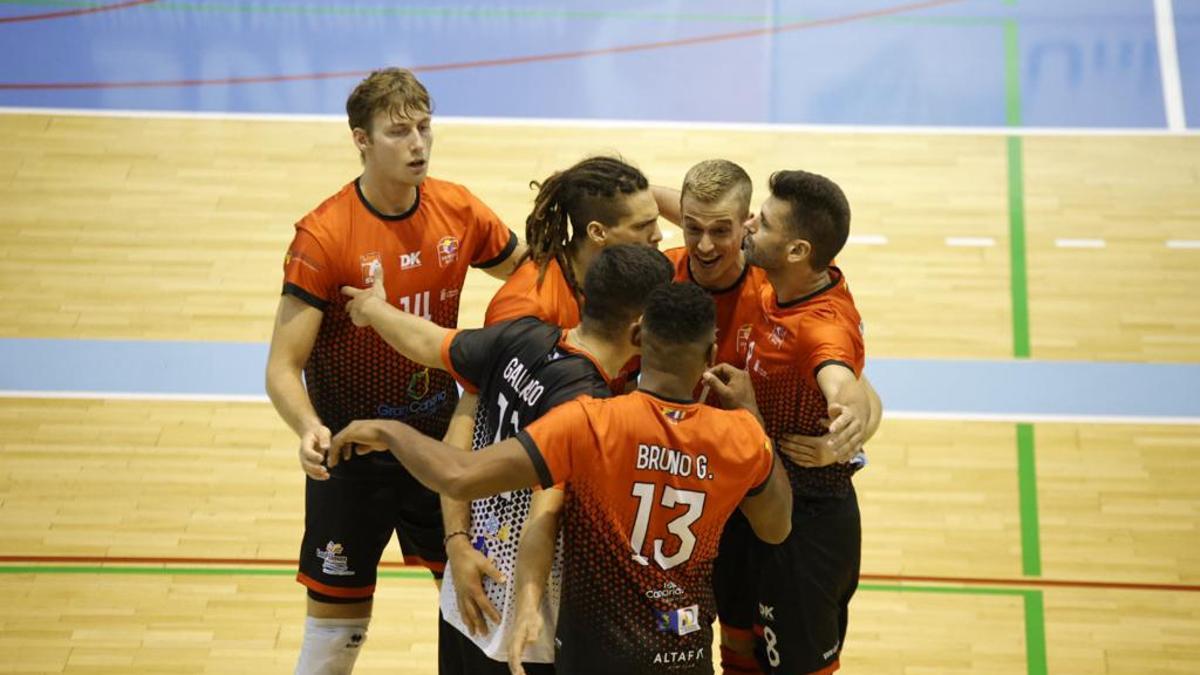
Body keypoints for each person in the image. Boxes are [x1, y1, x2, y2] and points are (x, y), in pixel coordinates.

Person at [330, 282, 794, 675]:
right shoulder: (740, 437)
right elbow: (777, 526)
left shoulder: (590, 422)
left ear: (637, 334)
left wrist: (389, 431)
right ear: (712, 353)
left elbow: (459, 475)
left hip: (596, 655)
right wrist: (751, 416)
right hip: (684, 651)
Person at [264, 66, 524, 674]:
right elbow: (282, 367)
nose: (418, 144)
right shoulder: (323, 237)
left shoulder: (458, 210)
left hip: (441, 456)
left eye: (425, 128)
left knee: (476, 609)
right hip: (351, 460)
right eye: (399, 131)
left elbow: (532, 271)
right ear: (361, 139)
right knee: (334, 641)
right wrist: (306, 427)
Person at [339, 244, 675, 673]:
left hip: (464, 597)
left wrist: (373, 309)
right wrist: (529, 607)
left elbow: (429, 342)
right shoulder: (588, 405)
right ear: (641, 329)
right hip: (526, 634)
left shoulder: (523, 334)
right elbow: (545, 513)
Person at [658, 160, 882, 674]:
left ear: (797, 249)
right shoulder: (777, 285)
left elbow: (842, 376)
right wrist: (637, 191)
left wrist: (845, 423)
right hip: (741, 502)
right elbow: (689, 209)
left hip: (803, 517)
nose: (750, 229)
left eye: (760, 221)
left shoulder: (820, 325)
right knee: (736, 646)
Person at [485, 156, 663, 327]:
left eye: (656, 221)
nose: (658, 235)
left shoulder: (638, 275)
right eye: (642, 226)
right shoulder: (525, 308)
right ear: (598, 233)